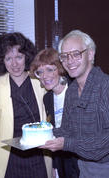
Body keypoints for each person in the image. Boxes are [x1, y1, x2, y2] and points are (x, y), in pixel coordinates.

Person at [40, 30, 109, 177]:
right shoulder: (72, 91)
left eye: (76, 54)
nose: (69, 60)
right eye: (64, 56)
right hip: (84, 166)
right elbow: (67, 129)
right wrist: (39, 136)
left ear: (90, 54)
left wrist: (67, 144)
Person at [0, 32, 52, 178]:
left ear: (27, 57)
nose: (14, 64)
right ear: (2, 61)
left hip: (39, 157)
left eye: (19, 57)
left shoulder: (41, 81)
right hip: (9, 159)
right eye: (8, 58)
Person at [30, 48, 80, 178]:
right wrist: (54, 167)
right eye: (39, 72)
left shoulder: (77, 91)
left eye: (50, 69)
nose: (44, 76)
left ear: (60, 69)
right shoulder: (47, 99)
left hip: (82, 160)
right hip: (62, 161)